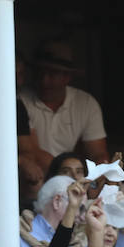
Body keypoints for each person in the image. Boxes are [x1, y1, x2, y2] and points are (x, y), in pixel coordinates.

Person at [19, 39, 108, 169]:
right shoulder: (21, 100)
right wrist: (68, 176)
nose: (44, 80)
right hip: (35, 177)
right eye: (39, 72)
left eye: (52, 73)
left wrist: (100, 174)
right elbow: (32, 153)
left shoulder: (86, 103)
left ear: (67, 76)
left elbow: (98, 153)